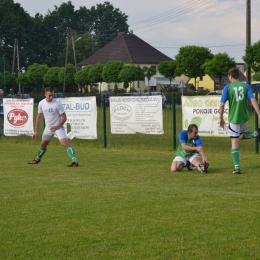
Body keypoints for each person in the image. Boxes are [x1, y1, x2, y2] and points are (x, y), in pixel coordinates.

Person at [219, 68, 260, 174]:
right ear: (238, 76)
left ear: (230, 76)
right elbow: (253, 100)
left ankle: (237, 167)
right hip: (244, 117)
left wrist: (220, 118)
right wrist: (259, 114)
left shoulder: (227, 87)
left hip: (234, 118)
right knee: (240, 136)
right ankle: (257, 133)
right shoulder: (246, 86)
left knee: (234, 142)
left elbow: (222, 104)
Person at [28, 87, 79, 167]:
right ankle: (37, 160)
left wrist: (57, 126)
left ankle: (75, 161)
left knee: (65, 143)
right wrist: (36, 131)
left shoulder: (57, 104)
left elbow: (64, 117)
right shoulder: (41, 103)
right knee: (43, 144)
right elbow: (39, 117)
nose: (51, 97)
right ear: (45, 94)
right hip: (48, 128)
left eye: (52, 95)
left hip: (58, 127)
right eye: (49, 95)